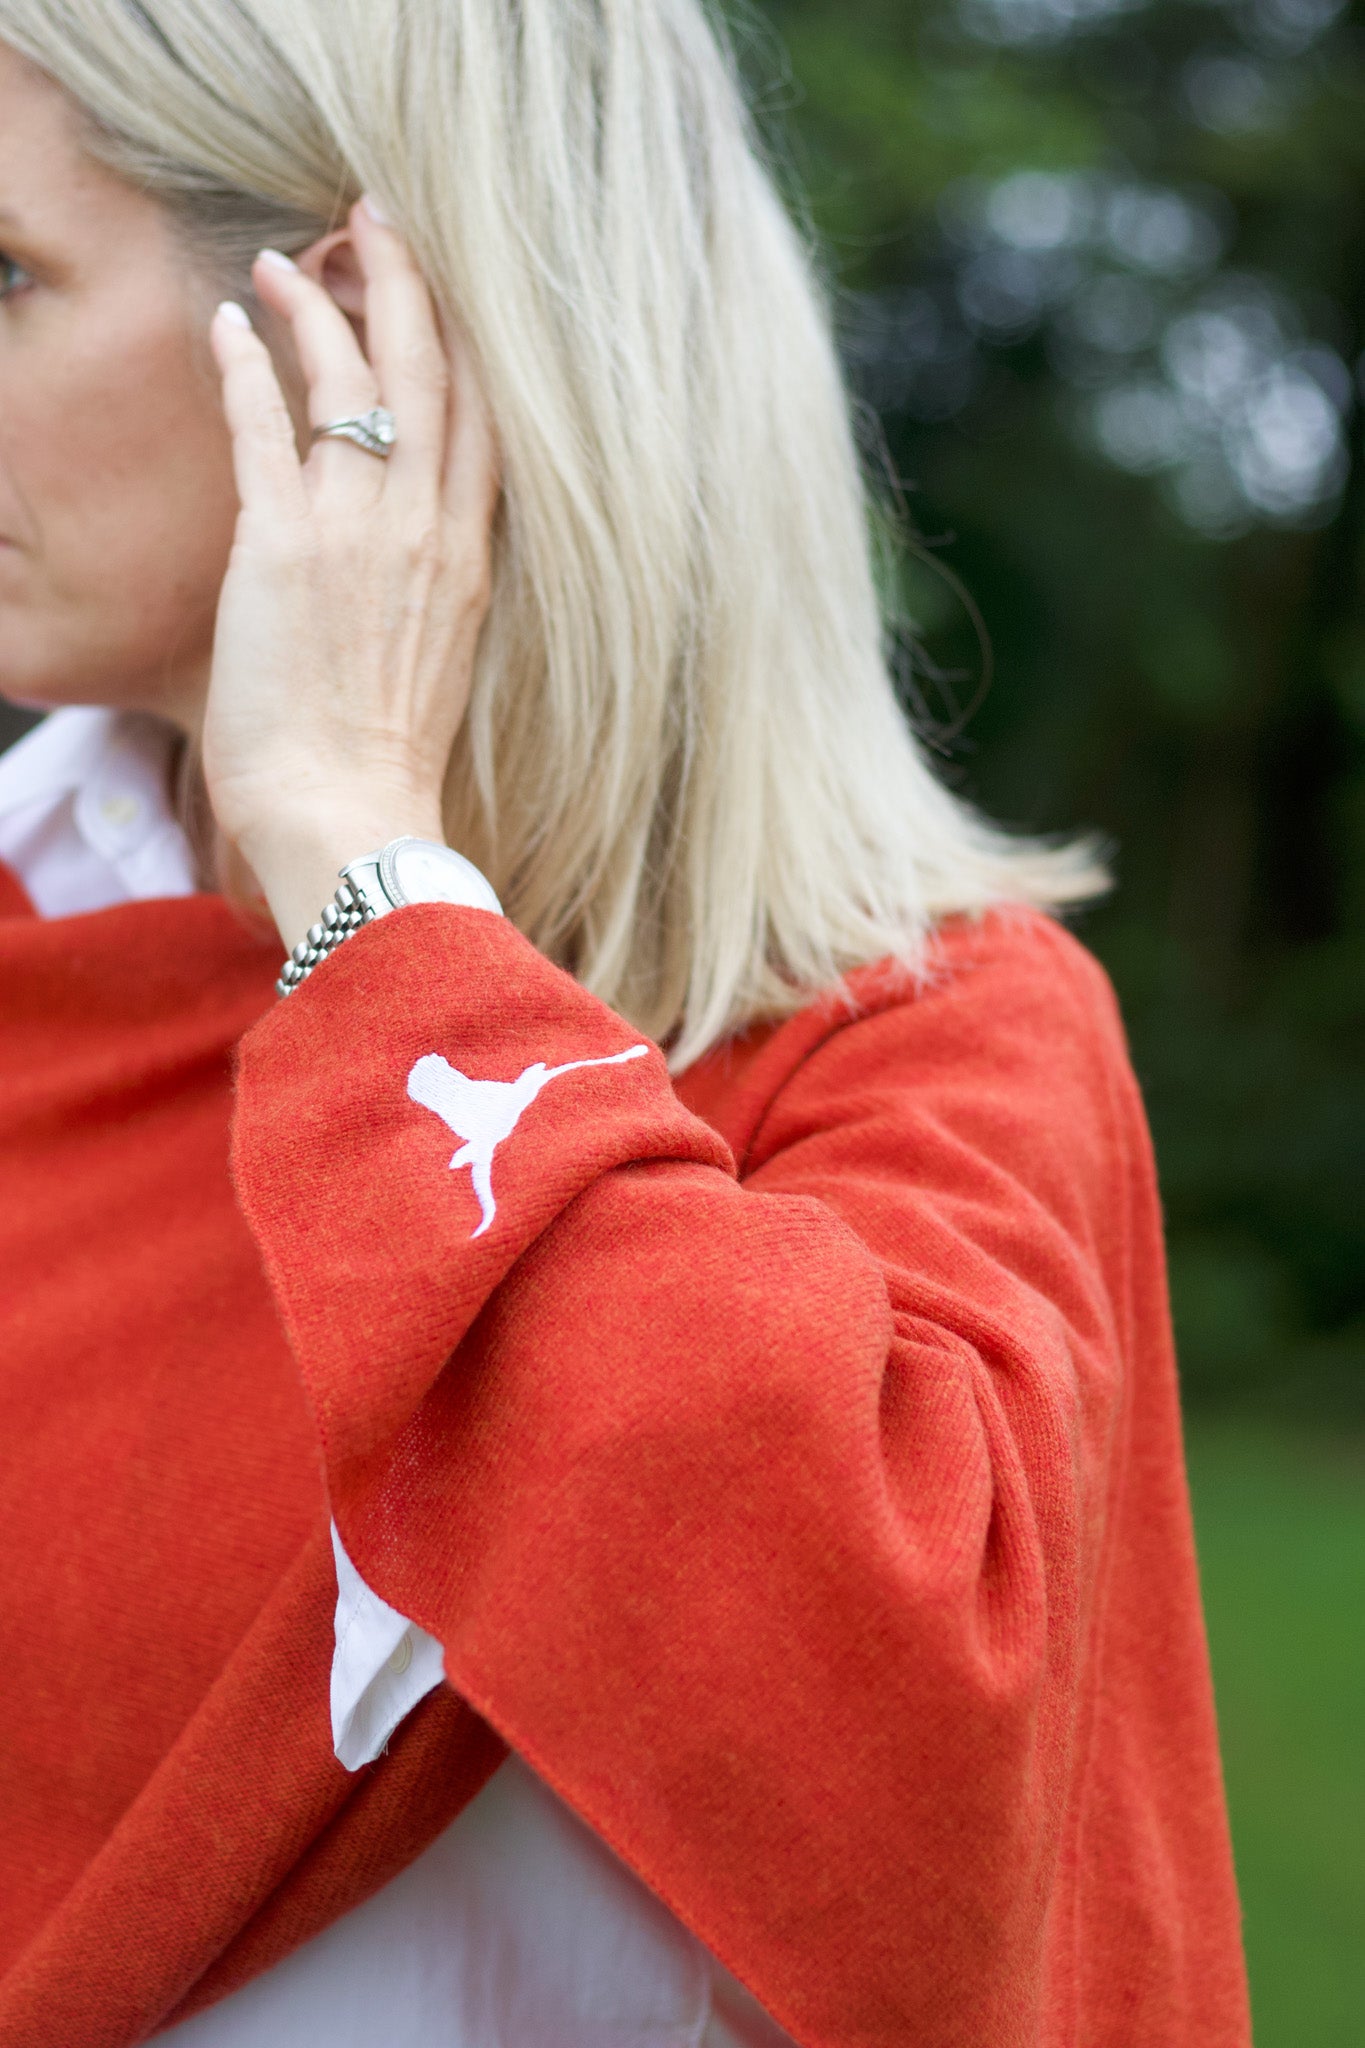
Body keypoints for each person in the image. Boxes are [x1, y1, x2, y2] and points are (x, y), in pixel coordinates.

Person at [0, 2, 1251, 2044]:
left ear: (350, 343)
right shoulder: (28, 936)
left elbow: (912, 1800)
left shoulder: (923, 1041)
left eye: (6, 277)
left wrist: (359, 873)